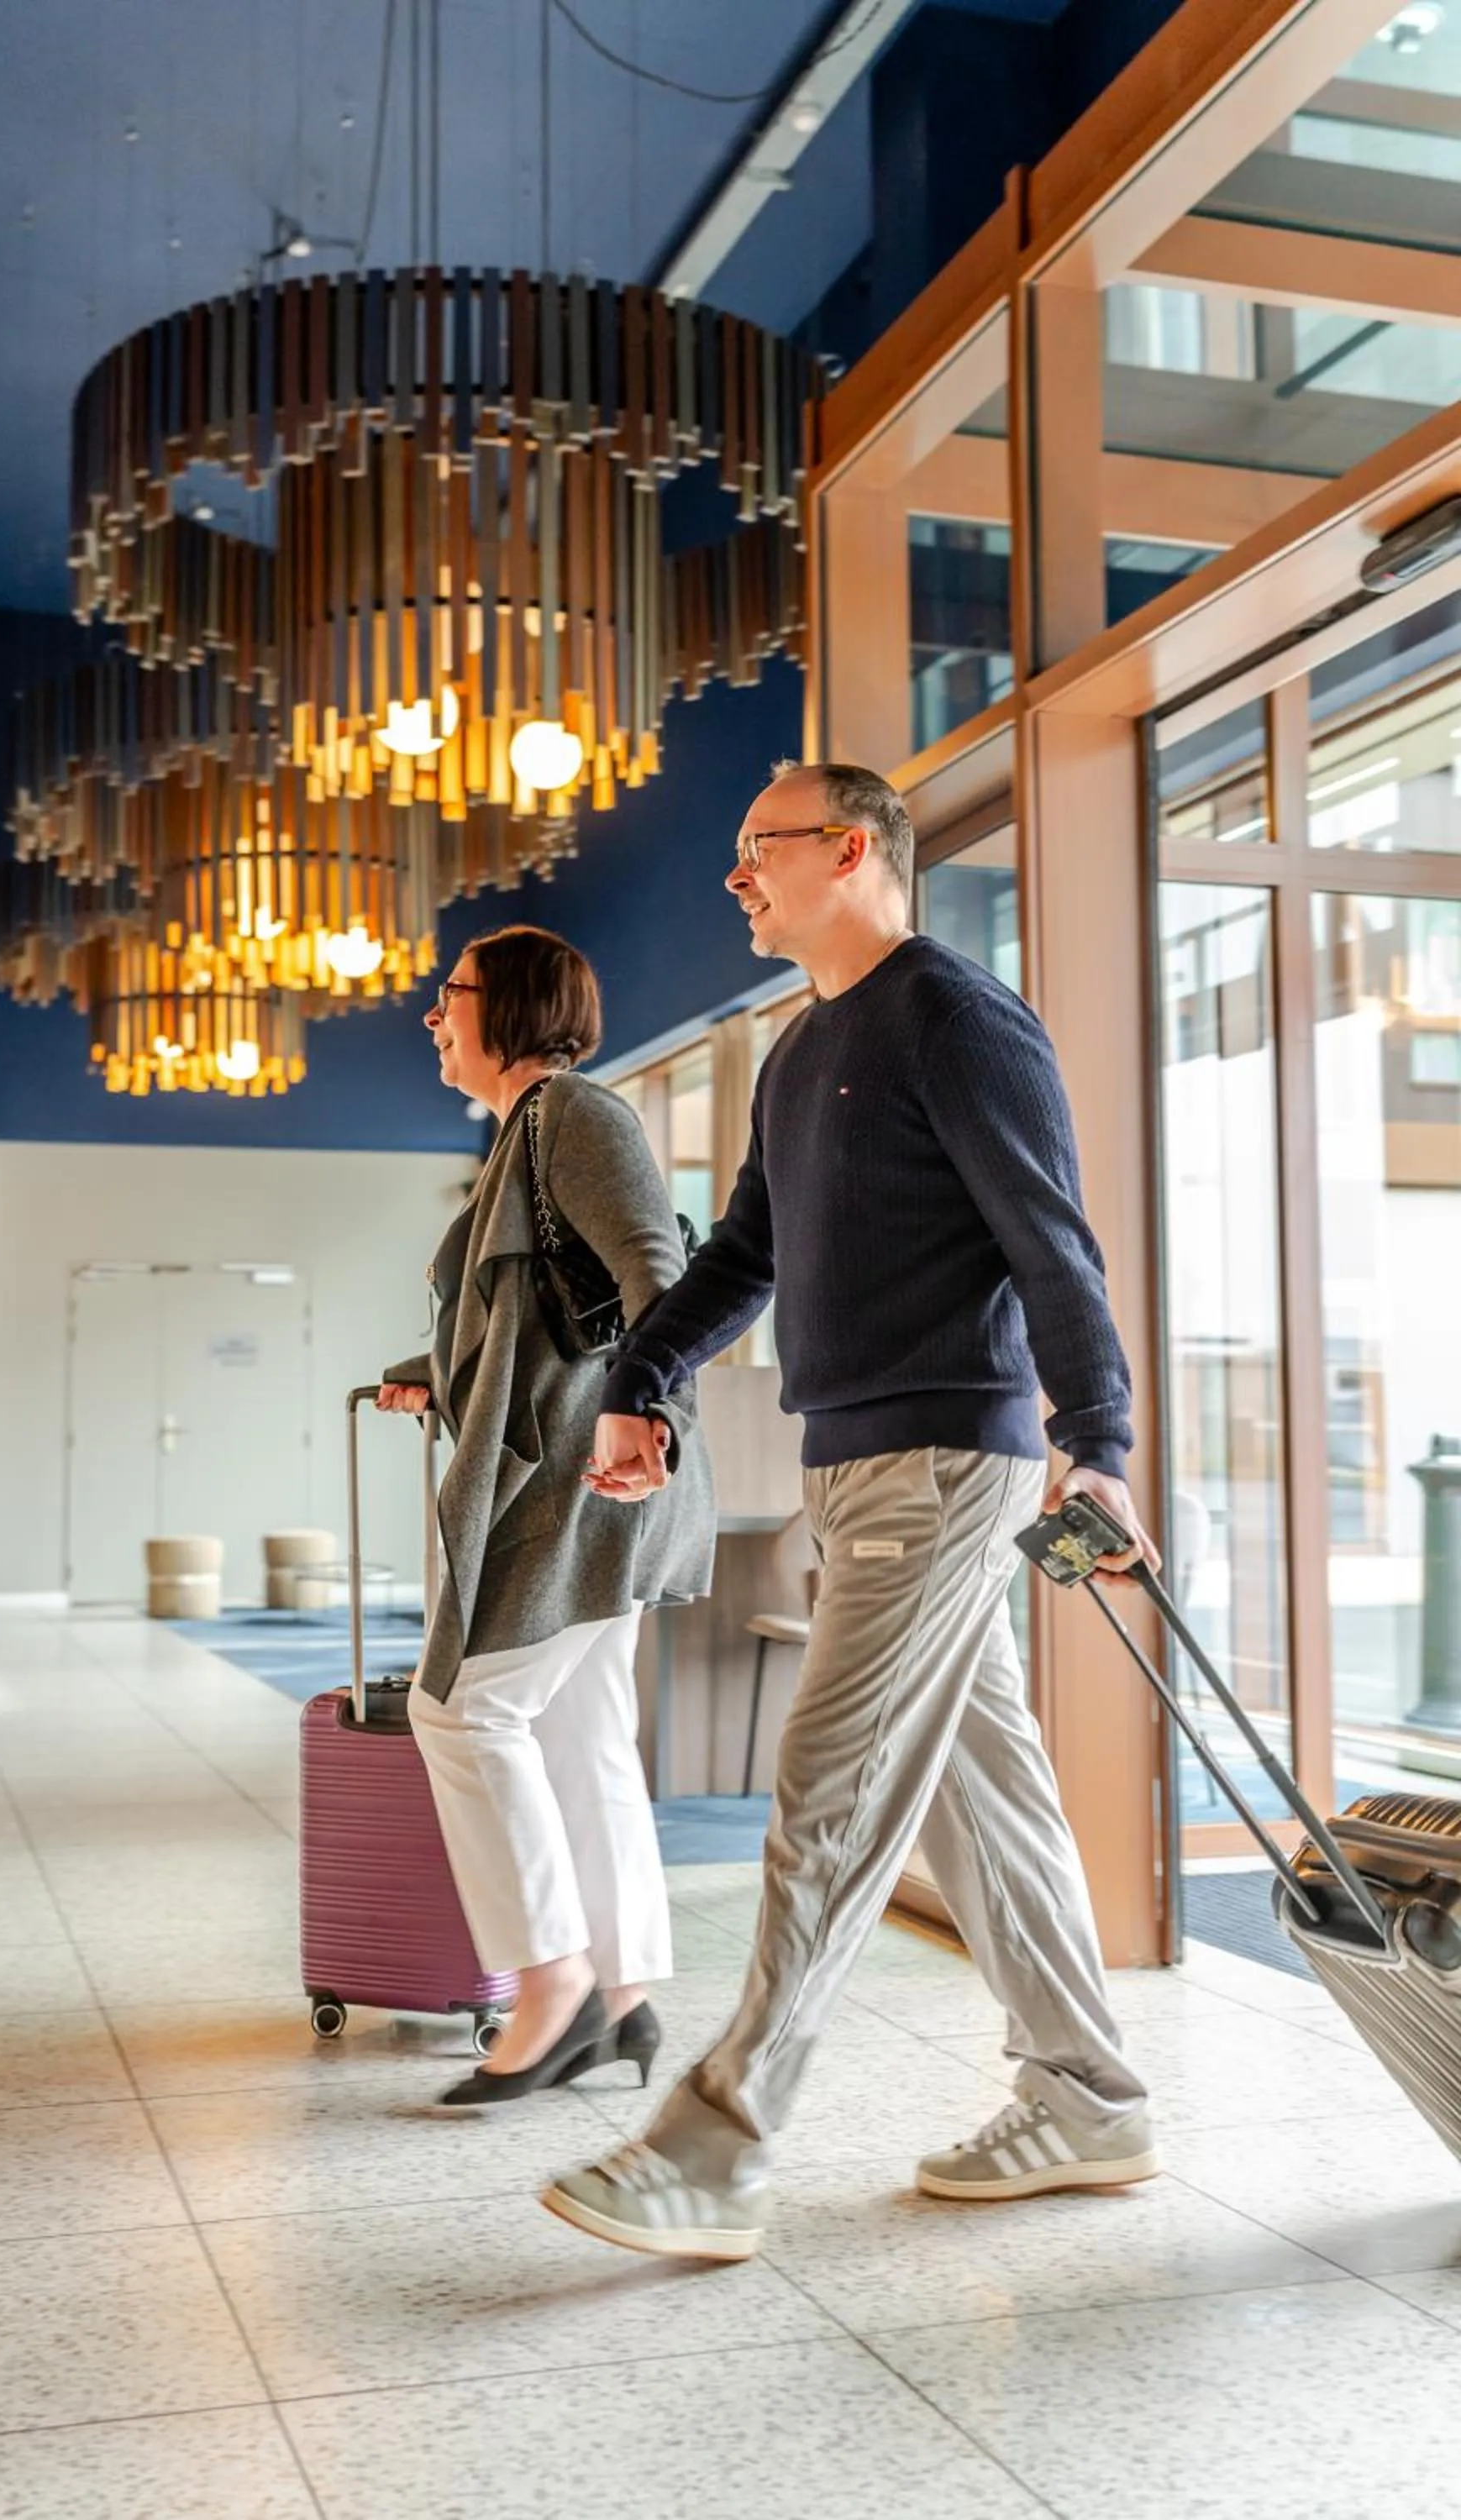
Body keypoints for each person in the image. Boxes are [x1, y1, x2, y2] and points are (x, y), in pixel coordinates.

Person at [542, 759, 1160, 2260]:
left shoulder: (954, 1015)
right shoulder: (801, 1043)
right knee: (976, 1784)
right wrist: (645, 1375)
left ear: (859, 847)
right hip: (864, 1462)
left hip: (948, 1459)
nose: (738, 877)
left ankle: (718, 2138)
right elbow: (747, 1248)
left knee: (831, 1780)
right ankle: (1087, 2093)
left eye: (762, 848)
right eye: (740, 852)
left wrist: (1100, 1435)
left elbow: (1052, 1241)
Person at [379, 924, 716, 2108]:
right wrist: (434, 1369)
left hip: (583, 1488)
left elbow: (656, 1274)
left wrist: (647, 1414)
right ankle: (620, 1997)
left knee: (460, 1714)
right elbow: (539, 1322)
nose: (433, 1015)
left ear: (510, 1007)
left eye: (451, 995)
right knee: (574, 1734)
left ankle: (554, 1981)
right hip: (575, 1479)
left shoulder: (575, 1113)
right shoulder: (525, 1134)